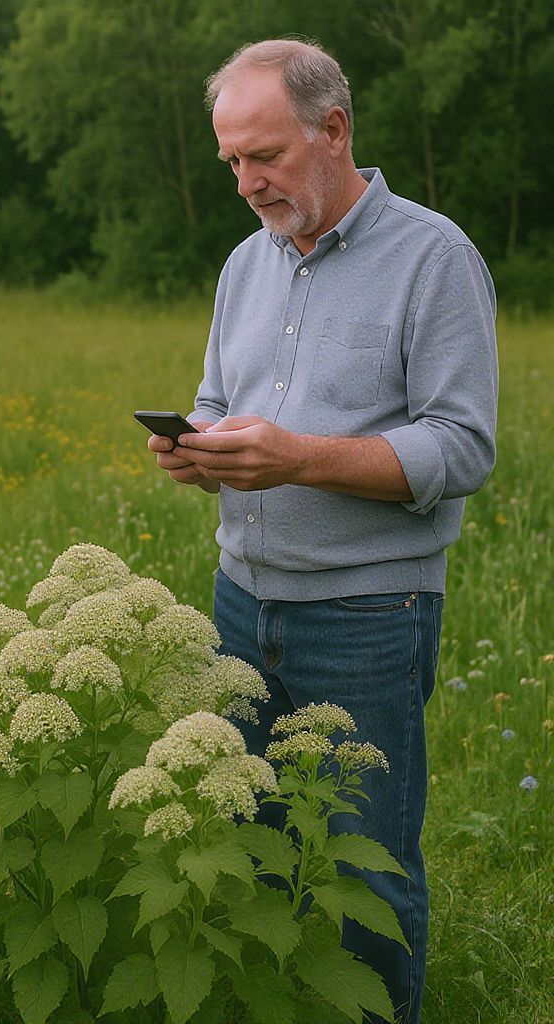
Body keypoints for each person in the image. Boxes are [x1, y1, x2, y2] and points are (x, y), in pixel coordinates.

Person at [147, 39, 497, 1024]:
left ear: (333, 131)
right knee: (255, 845)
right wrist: (194, 449)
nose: (247, 182)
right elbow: (215, 402)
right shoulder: (242, 265)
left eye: (265, 156)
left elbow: (462, 449)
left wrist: (297, 456)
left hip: (367, 614)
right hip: (238, 601)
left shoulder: (433, 258)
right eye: (231, 164)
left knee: (364, 869)